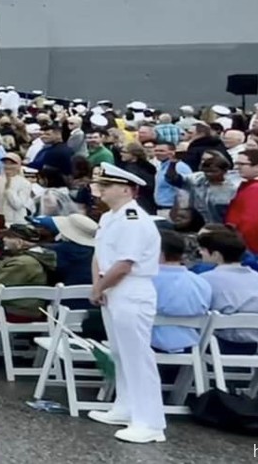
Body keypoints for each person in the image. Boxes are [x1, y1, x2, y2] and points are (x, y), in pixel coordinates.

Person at [86, 164, 166, 444]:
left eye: (107, 186)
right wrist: (99, 282)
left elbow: (125, 263)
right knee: (120, 353)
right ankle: (126, 407)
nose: (102, 190)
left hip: (131, 289)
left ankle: (150, 421)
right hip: (111, 287)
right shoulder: (110, 217)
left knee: (137, 356)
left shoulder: (134, 219)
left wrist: (99, 286)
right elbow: (100, 253)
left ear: (126, 189)